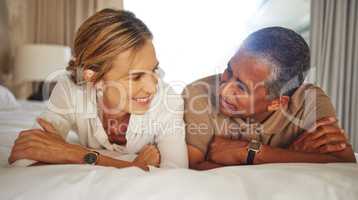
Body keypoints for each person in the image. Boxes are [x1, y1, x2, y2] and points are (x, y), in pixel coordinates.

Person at [8, 9, 188, 171]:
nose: (152, 87)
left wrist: (64, 151)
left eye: (154, 70)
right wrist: (130, 166)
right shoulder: (70, 89)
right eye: (136, 77)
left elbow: (176, 172)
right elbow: (23, 158)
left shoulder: (168, 100)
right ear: (94, 78)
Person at [183, 27, 356, 170]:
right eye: (229, 70)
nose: (223, 90)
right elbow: (193, 168)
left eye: (242, 87)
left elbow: (343, 163)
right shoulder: (198, 95)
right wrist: (294, 155)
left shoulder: (309, 102)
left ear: (277, 103)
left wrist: (250, 153)